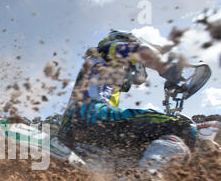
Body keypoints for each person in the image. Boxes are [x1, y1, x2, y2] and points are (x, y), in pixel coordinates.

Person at [57, 30, 197, 170]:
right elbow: (143, 51)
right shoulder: (110, 48)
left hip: (73, 126)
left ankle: (130, 180)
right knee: (183, 128)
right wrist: (167, 68)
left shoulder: (101, 69)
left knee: (132, 154)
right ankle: (147, 180)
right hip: (91, 116)